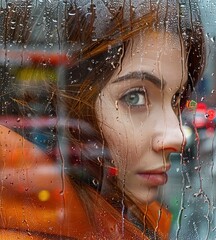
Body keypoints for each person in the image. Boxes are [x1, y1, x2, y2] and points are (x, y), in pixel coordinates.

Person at [0, 0, 204, 238]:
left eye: (175, 99)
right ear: (60, 103)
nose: (177, 136)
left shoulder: (127, 216)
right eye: (135, 97)